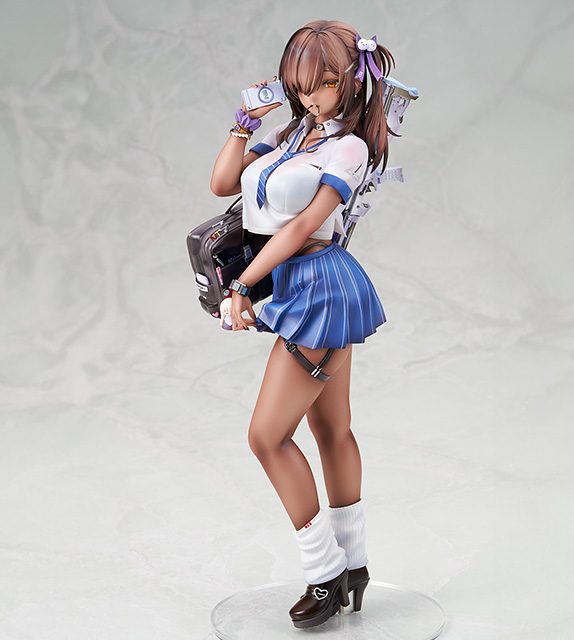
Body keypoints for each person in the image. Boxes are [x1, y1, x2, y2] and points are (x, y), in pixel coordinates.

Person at [210, 19, 394, 629]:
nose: (310, 96)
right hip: (299, 283)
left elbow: (302, 225)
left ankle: (325, 572)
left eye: (324, 83)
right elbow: (222, 184)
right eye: (301, 84)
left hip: (319, 287)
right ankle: (355, 564)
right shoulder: (292, 133)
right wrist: (244, 124)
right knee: (330, 427)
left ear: (351, 82)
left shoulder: (349, 148)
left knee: (267, 437)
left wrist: (242, 284)